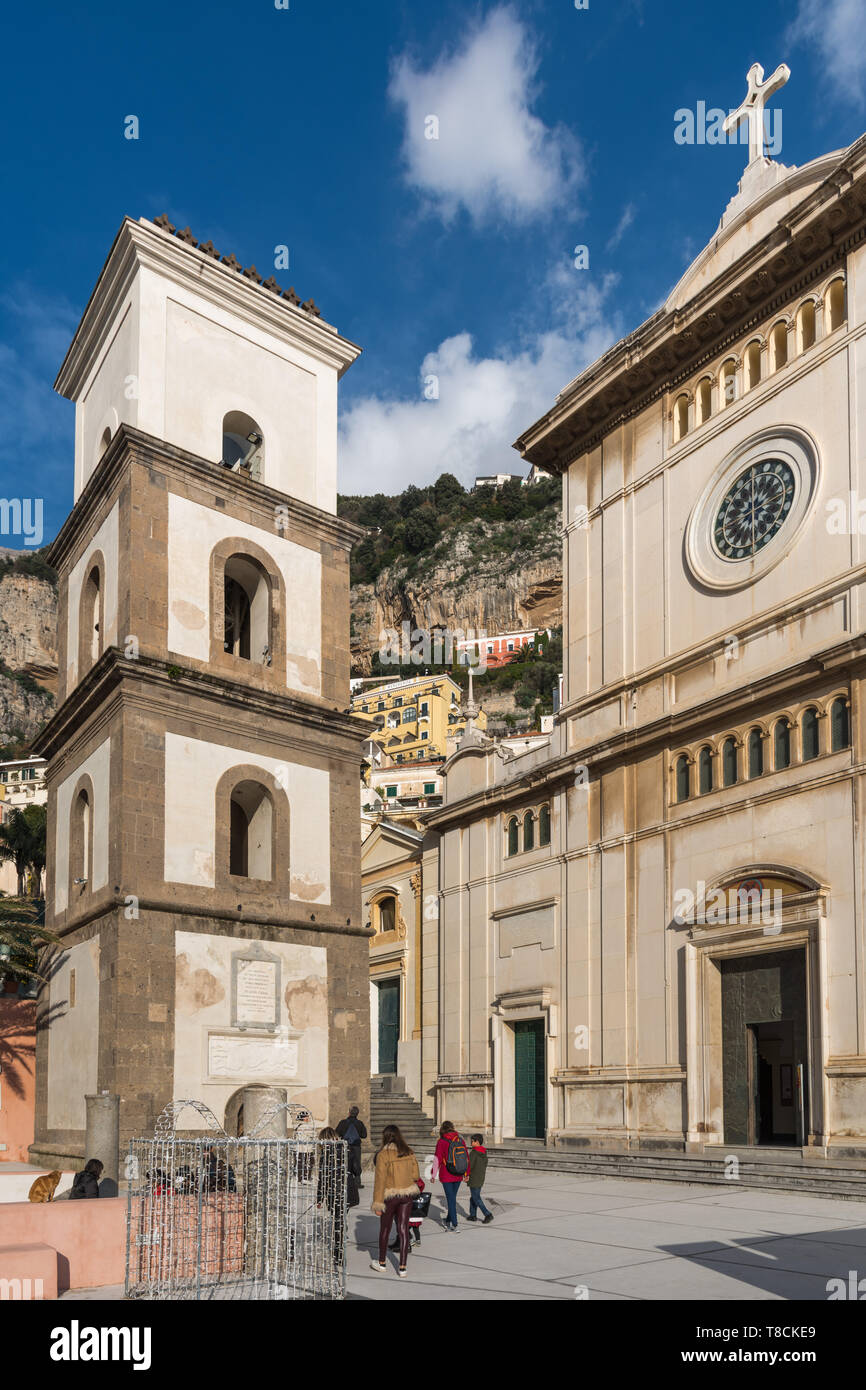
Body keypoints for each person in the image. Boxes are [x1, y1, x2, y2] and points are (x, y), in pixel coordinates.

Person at [370, 1124, 420, 1278]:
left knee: (385, 1229)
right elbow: (416, 1175)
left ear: (385, 1137)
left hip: (390, 1195)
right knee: (403, 1229)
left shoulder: (383, 1154)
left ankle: (382, 1263)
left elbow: (380, 1180)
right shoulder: (408, 1152)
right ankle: (403, 1267)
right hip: (406, 1195)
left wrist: (377, 1203)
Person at [316, 1126, 355, 1269]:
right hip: (346, 1191)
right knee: (341, 1220)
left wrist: (320, 1198)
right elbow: (356, 1169)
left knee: (337, 1221)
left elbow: (322, 1178)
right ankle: (339, 1251)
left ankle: (337, 1253)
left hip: (333, 1192)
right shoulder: (347, 1148)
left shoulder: (326, 1154)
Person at [433, 1121, 468, 1231]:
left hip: (446, 1174)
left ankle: (454, 1224)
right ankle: (448, 1220)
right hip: (458, 1173)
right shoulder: (460, 1139)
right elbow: (466, 1157)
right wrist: (466, 1173)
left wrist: (433, 1174)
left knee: (451, 1199)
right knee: (452, 1198)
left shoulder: (441, 1141)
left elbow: (437, 1159)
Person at [464, 1135, 494, 1224]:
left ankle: (487, 1214)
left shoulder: (474, 1152)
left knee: (476, 1197)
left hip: (474, 1178)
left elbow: (469, 1166)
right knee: (473, 1197)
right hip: (480, 1177)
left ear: (477, 1142)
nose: (471, 1143)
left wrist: (466, 1175)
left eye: (472, 1141)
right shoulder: (484, 1152)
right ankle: (473, 1215)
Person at [335, 1105, 367, 1187]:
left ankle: (344, 1182)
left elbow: (336, 1133)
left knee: (344, 1162)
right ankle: (357, 1182)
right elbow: (364, 1135)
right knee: (357, 1163)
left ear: (349, 1113)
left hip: (345, 1146)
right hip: (356, 1146)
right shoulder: (360, 1123)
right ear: (357, 1114)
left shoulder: (343, 1122)